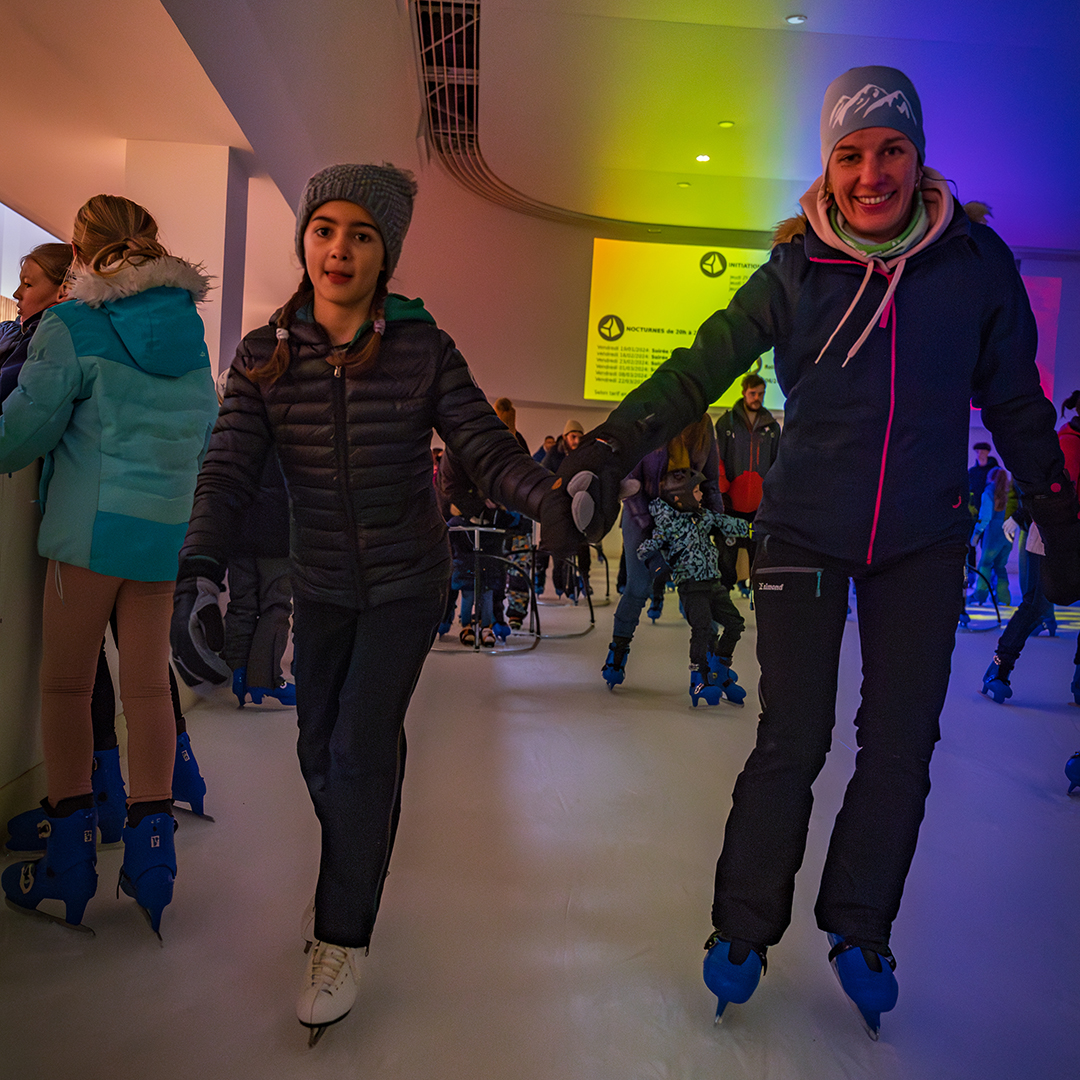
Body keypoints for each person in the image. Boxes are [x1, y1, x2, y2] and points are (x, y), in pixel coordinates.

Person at [545, 66, 1079, 1038]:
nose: (871, 173)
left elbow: (1016, 404)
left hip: (921, 539)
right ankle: (744, 927)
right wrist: (604, 450)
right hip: (804, 534)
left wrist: (1058, 510)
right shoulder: (797, 272)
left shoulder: (976, 266)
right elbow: (699, 364)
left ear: (918, 157)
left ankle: (860, 927)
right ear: (827, 169)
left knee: (904, 744)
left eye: (889, 150)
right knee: (794, 737)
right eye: (850, 155)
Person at [169, 164, 559, 1044]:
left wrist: (549, 501)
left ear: (387, 254)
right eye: (325, 229)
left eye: (361, 235)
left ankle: (340, 936)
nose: (338, 249)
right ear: (304, 239)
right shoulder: (267, 353)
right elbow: (227, 468)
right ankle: (368, 804)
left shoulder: (423, 347)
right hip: (324, 583)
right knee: (324, 746)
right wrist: (198, 566)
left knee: (353, 747)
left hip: (408, 584)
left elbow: (484, 447)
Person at [0, 194, 219, 936]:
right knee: (149, 694)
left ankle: (68, 855)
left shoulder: (72, 325)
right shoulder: (190, 337)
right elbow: (204, 434)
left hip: (88, 534)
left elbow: (21, 432)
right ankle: (154, 855)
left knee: (65, 688)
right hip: (160, 539)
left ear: (82, 249)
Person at [602, 414, 726, 688]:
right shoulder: (651, 421)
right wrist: (649, 528)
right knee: (637, 587)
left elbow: (710, 482)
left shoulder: (703, 426)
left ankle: (711, 660)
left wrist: (717, 524)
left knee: (696, 591)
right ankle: (617, 652)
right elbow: (631, 484)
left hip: (686, 518)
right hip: (642, 515)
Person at [981, 392, 1080, 703]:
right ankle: (999, 667)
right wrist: (1020, 515)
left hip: (1047, 526)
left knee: (1024, 593)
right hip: (1050, 530)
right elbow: (1048, 486)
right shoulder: (1068, 439)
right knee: (1035, 602)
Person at [635, 470, 750, 705]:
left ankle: (719, 670)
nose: (701, 495)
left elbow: (724, 522)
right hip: (691, 585)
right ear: (680, 497)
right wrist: (657, 561)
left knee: (735, 623)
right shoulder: (666, 524)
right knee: (703, 629)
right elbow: (643, 549)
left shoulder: (702, 516)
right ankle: (698, 682)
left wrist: (753, 530)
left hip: (712, 581)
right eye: (696, 491)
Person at [714, 372, 781, 595]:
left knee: (759, 557)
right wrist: (722, 492)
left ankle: (759, 598)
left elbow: (776, 463)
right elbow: (717, 460)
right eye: (753, 393)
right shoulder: (726, 422)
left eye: (761, 394)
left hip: (759, 506)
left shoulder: (772, 427)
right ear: (744, 392)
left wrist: (772, 497)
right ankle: (721, 601)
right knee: (726, 558)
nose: (757, 398)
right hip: (731, 504)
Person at [1, 243, 72, 402]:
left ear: (64, 292)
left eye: (28, 284)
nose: (16, 293)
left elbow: (6, 391)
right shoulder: (12, 329)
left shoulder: (45, 335)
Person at [969, 466, 1014, 605]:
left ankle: (980, 595)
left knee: (985, 564)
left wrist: (976, 534)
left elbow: (986, 516)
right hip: (1009, 534)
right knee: (1001, 566)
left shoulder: (989, 492)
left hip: (993, 533)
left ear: (990, 478)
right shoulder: (1010, 493)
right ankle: (1004, 598)